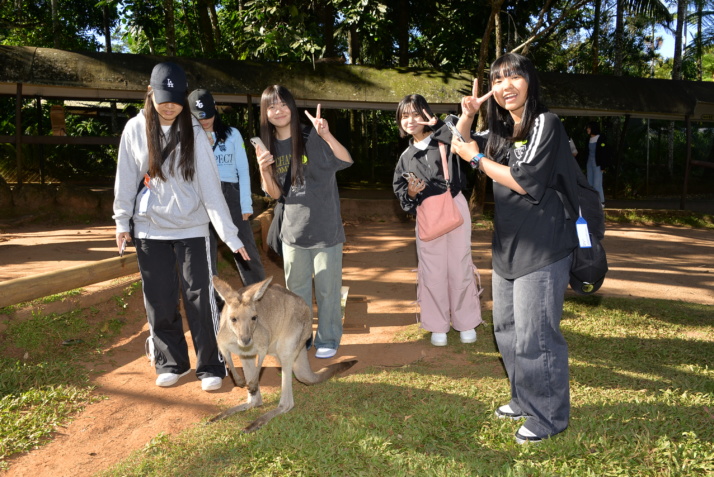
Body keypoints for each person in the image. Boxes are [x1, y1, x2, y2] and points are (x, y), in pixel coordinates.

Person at [451, 53, 578, 444]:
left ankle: (548, 417)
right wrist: (469, 116)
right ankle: (524, 398)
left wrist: (475, 156)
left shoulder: (545, 123)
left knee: (536, 335)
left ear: (529, 81)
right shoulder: (501, 132)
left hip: (544, 247)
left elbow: (524, 181)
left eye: (514, 77)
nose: (506, 86)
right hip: (507, 246)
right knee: (506, 328)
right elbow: (460, 142)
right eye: (498, 79)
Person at [113, 62, 249, 392]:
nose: (170, 104)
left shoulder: (194, 131)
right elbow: (126, 178)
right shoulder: (134, 129)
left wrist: (229, 235)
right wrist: (121, 221)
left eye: (176, 97)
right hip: (149, 228)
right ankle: (170, 361)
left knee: (200, 298)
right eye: (163, 97)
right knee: (159, 299)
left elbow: (210, 187)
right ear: (150, 93)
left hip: (192, 227)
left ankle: (210, 365)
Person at [253, 85, 353, 359]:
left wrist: (326, 134)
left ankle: (329, 338)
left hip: (326, 229)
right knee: (295, 296)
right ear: (265, 114)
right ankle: (300, 339)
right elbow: (274, 194)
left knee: (327, 291)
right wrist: (263, 168)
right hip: (293, 233)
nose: (278, 110)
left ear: (292, 107)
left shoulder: (313, 136)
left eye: (283, 104)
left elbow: (345, 161)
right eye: (271, 107)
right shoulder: (267, 147)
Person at [392, 94, 482, 347]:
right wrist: (411, 193)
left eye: (416, 114)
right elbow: (402, 197)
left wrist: (438, 124)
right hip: (427, 215)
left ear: (426, 115)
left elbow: (464, 137)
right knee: (432, 272)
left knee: (460, 266)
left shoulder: (444, 137)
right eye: (404, 115)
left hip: (455, 206)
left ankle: (466, 322)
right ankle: (437, 326)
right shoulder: (405, 158)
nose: (410, 120)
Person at [187, 88, 266, 286]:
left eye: (208, 115)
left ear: (215, 108)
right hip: (202, 196)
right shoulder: (188, 137)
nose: (205, 121)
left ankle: (258, 296)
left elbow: (243, 170)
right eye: (199, 117)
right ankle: (214, 302)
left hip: (230, 193)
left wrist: (246, 204)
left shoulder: (232, 134)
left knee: (245, 247)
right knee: (206, 251)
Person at [585, 121, 609, 206]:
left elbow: (604, 152)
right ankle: (592, 202)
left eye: (589, 128)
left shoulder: (601, 138)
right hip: (589, 163)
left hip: (598, 163)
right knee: (590, 183)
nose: (587, 129)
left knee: (597, 183)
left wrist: (603, 165)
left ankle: (601, 202)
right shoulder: (588, 139)